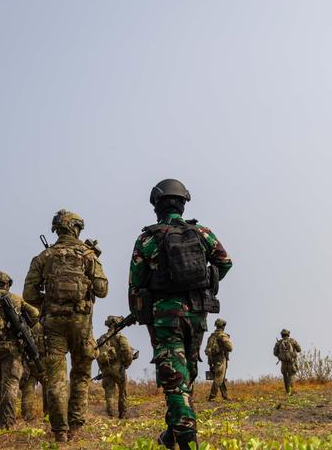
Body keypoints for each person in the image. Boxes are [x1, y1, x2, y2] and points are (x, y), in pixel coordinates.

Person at [129, 178, 232, 450]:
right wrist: (208, 281)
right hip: (197, 314)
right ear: (184, 203)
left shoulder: (148, 238)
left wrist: (144, 311)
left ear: (157, 206)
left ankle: (187, 438)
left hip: (165, 318)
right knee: (185, 375)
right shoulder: (202, 233)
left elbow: (135, 283)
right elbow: (225, 262)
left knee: (174, 381)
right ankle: (172, 434)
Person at [23, 209, 108, 442]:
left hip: (53, 324)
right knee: (80, 373)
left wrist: (50, 304)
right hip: (81, 323)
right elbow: (102, 290)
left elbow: (29, 294)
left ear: (57, 229)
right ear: (76, 228)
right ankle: (76, 428)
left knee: (56, 376)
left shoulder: (43, 256)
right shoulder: (88, 255)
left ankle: (59, 431)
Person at [0, 271, 39, 429]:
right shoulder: (16, 299)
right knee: (10, 385)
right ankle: (8, 423)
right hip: (12, 349)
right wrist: (23, 325)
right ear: (7, 284)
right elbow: (35, 314)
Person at [96, 315, 135, 418]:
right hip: (118, 369)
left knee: (109, 392)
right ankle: (123, 414)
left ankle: (111, 415)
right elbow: (127, 352)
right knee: (123, 391)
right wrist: (126, 364)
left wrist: (103, 368)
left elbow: (96, 355)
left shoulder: (101, 339)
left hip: (105, 369)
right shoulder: (120, 337)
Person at [20, 320, 47, 421]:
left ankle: (28, 418)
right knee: (49, 388)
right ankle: (49, 415)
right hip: (42, 363)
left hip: (28, 363)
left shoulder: (24, 323)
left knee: (27, 390)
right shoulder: (44, 324)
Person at [205, 318, 233, 401]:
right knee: (219, 377)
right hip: (220, 358)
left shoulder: (212, 336)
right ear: (223, 326)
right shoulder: (222, 335)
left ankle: (225, 395)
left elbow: (208, 350)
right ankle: (212, 396)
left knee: (221, 377)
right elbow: (230, 348)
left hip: (212, 358)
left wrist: (209, 363)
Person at [273, 329, 301, 395]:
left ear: (281, 335)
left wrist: (280, 356)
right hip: (292, 362)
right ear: (288, 334)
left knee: (285, 377)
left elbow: (275, 353)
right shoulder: (293, 341)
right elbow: (299, 349)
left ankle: (288, 391)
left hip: (283, 363)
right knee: (291, 375)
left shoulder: (279, 342)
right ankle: (291, 391)